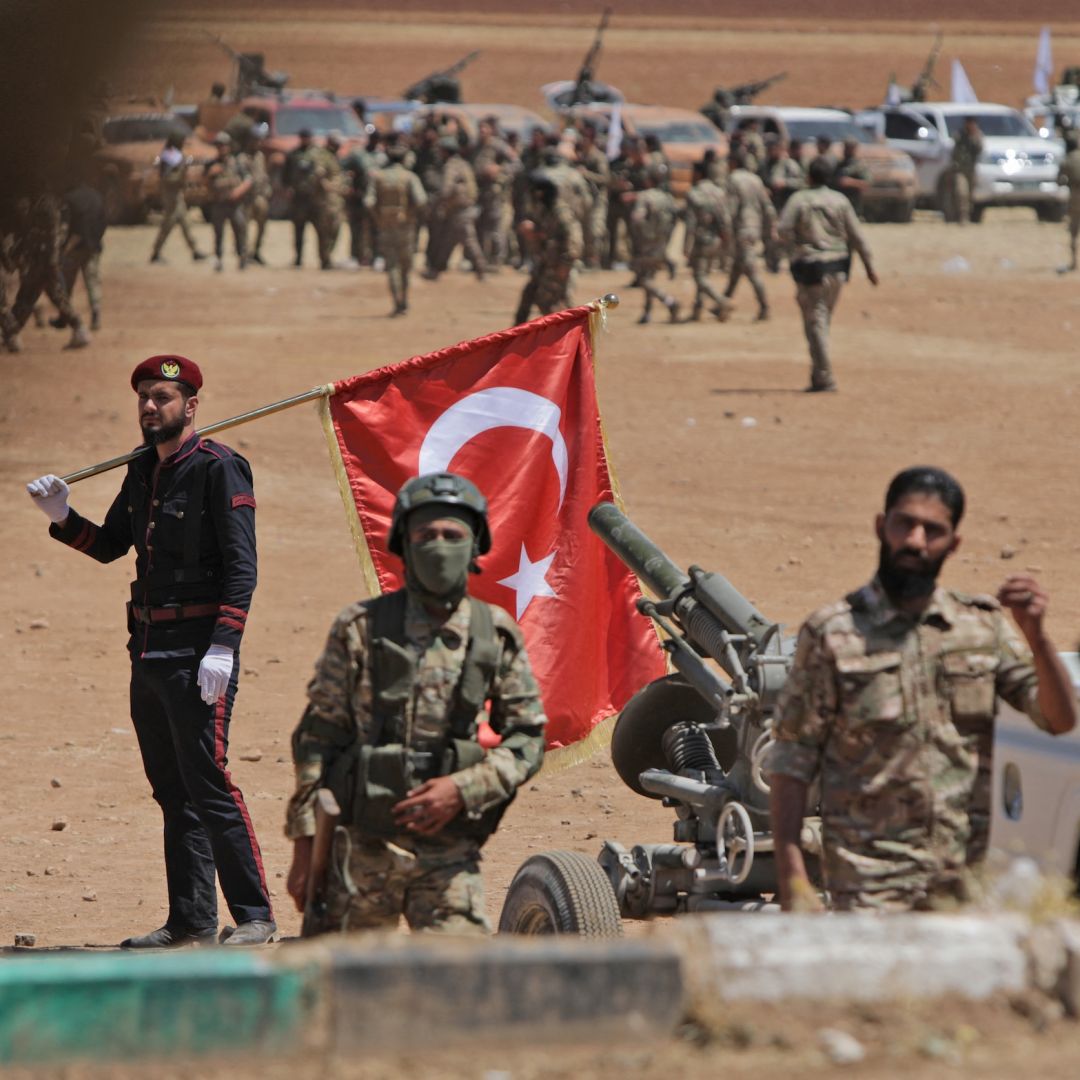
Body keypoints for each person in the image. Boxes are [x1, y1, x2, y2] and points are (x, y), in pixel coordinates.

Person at [25, 356, 276, 947]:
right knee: (172, 789)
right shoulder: (142, 470)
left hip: (198, 657)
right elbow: (113, 546)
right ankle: (191, 919)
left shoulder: (220, 469)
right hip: (149, 650)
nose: (148, 407)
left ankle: (255, 916)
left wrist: (224, 646)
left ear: (190, 406)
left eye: (161, 397)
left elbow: (242, 569)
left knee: (209, 783)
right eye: (142, 396)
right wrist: (63, 518)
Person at [768, 466, 1077, 913]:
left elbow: (1059, 718)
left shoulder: (980, 629)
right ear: (881, 526)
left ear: (953, 544)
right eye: (904, 523)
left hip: (959, 885)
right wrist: (792, 877)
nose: (915, 541)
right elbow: (791, 758)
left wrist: (1037, 637)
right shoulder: (833, 634)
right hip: (866, 885)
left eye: (933, 530)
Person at [285, 473, 546, 935]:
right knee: (352, 990)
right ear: (403, 545)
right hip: (362, 851)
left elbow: (529, 740)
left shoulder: (494, 632)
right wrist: (306, 849)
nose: (438, 546)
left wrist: (464, 789)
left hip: (449, 855)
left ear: (474, 547)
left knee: (458, 984)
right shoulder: (360, 627)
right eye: (425, 535)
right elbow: (317, 738)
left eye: (452, 535)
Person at [778, 156, 878, 392]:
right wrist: (869, 268)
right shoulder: (840, 200)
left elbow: (783, 229)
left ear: (809, 176)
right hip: (838, 268)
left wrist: (795, 248)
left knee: (816, 322)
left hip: (812, 267)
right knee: (822, 321)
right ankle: (817, 376)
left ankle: (826, 377)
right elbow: (858, 237)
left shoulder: (799, 199)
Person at [3, 188, 89, 351]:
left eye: (23, 208)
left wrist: (51, 264)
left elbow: (50, 243)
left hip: (44, 267)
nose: (21, 212)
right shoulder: (33, 225)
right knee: (30, 299)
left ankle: (12, 336)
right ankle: (11, 336)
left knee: (37, 297)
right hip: (38, 267)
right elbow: (26, 244)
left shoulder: (46, 219)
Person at [365, 140, 427, 316]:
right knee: (406, 266)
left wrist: (378, 217)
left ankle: (397, 302)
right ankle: (404, 300)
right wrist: (411, 214)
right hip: (405, 227)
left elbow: (368, 202)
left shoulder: (378, 177)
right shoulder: (409, 177)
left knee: (392, 265)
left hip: (386, 227)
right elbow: (421, 200)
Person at [514, 171, 582, 324]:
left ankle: (566, 333)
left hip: (558, 263)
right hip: (546, 262)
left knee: (547, 301)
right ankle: (515, 336)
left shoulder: (560, 211)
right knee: (529, 293)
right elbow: (546, 233)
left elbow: (573, 237)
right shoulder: (544, 209)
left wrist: (565, 263)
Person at [723, 149, 776, 321]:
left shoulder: (733, 179)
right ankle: (723, 303)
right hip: (755, 228)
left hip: (741, 229)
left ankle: (764, 306)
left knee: (750, 269)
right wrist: (771, 228)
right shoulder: (756, 179)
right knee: (737, 268)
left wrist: (725, 229)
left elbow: (731, 208)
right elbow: (768, 207)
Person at [423, 137, 486, 281]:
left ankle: (481, 269)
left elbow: (447, 189)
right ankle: (436, 270)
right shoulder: (463, 164)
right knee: (447, 241)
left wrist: (437, 204)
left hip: (460, 209)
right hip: (463, 208)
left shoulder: (451, 166)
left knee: (468, 241)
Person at [629, 164, 679, 324]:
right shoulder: (668, 198)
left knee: (643, 279)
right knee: (649, 276)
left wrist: (639, 234)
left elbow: (637, 218)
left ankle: (669, 301)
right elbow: (675, 219)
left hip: (646, 243)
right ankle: (647, 313)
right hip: (661, 242)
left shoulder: (645, 196)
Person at [683, 161, 733, 322]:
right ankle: (697, 309)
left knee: (699, 277)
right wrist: (726, 239)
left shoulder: (694, 193)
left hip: (701, 240)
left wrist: (686, 246)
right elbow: (726, 219)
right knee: (703, 273)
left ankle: (721, 301)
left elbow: (690, 224)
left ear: (698, 174)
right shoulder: (718, 192)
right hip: (717, 240)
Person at [57, 176, 106, 332]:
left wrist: (63, 249)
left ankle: (65, 317)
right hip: (93, 246)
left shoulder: (68, 199)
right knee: (92, 281)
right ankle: (96, 315)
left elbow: (64, 227)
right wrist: (96, 239)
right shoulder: (97, 197)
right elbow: (104, 221)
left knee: (66, 283)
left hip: (74, 247)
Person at [149, 133, 207, 264]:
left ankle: (195, 250)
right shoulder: (169, 157)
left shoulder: (176, 156)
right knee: (168, 224)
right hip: (170, 195)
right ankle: (156, 252)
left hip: (177, 195)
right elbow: (166, 178)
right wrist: (181, 173)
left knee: (185, 223)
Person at [204, 132, 251, 272]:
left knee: (240, 230)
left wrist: (238, 192)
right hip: (219, 203)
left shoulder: (236, 163)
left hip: (234, 204)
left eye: (224, 145)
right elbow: (204, 184)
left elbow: (248, 180)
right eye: (219, 145)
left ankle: (242, 257)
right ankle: (218, 258)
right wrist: (210, 174)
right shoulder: (211, 164)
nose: (221, 148)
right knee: (218, 232)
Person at [283, 128, 322, 268]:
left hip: (315, 197)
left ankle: (324, 259)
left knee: (321, 229)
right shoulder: (293, 154)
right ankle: (298, 258)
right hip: (299, 197)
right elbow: (285, 175)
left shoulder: (318, 154)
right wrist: (287, 189)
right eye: (303, 137)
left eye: (307, 137)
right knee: (299, 229)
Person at [239, 124, 272, 266]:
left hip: (260, 197)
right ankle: (244, 254)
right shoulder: (242, 158)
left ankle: (256, 251)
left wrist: (267, 190)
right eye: (255, 140)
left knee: (262, 226)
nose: (258, 143)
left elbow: (263, 176)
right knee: (244, 227)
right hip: (247, 199)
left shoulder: (260, 156)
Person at [949, 117, 983, 225]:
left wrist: (973, 135)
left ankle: (970, 215)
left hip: (971, 170)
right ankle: (962, 217)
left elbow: (979, 149)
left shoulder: (977, 135)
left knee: (970, 195)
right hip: (960, 169)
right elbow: (954, 145)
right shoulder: (960, 135)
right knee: (961, 192)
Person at [1057, 130, 1080, 273]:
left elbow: (1059, 180)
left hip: (1075, 198)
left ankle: (1074, 262)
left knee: (1073, 231)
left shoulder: (1067, 160)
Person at [832, 138, 872, 219]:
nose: (847, 150)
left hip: (853, 206)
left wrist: (850, 182)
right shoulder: (838, 165)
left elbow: (867, 184)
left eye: (849, 147)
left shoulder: (859, 166)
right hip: (837, 204)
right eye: (846, 147)